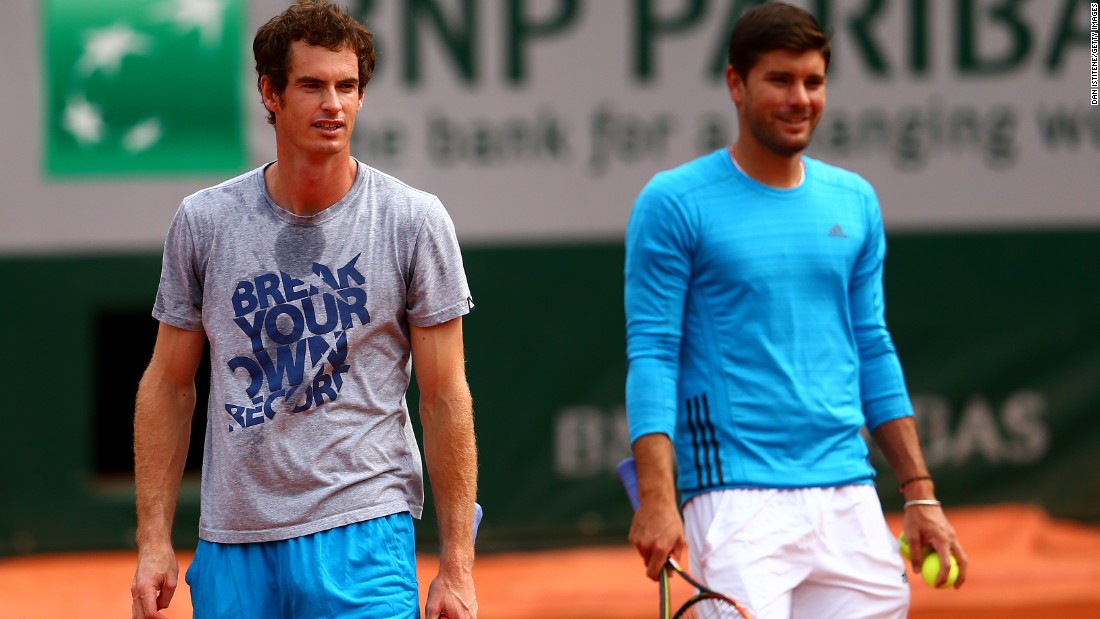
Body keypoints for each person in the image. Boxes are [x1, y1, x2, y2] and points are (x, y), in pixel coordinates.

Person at [129, 1, 478, 617]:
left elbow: (444, 394)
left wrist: (457, 567)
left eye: (348, 87)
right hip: (235, 539)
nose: (333, 105)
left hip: (364, 530)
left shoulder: (414, 221)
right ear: (270, 92)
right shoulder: (204, 222)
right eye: (312, 85)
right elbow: (168, 384)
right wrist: (154, 540)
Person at [623, 3, 968, 617]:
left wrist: (919, 495)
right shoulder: (674, 202)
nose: (799, 98)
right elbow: (653, 352)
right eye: (780, 80)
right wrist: (657, 496)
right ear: (736, 84)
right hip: (734, 499)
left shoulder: (855, 201)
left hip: (849, 494)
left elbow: (873, 347)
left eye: (813, 81)